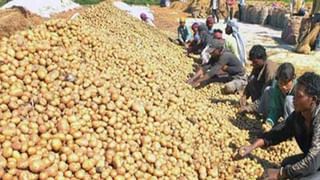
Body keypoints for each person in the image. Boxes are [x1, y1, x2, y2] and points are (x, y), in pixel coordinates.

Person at [238, 72, 320, 180]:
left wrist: (280, 173)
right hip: (316, 159)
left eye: (299, 96)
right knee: (287, 163)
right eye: (294, 94)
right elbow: (279, 132)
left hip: (316, 160)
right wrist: (252, 146)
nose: (293, 99)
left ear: (313, 100)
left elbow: (313, 160)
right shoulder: (298, 116)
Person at [239, 45, 279, 115]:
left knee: (267, 90)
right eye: (252, 62)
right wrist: (245, 96)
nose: (253, 64)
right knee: (252, 79)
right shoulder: (258, 65)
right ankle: (257, 108)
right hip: (262, 95)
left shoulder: (270, 70)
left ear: (263, 59)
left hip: (274, 100)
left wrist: (249, 108)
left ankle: (263, 111)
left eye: (255, 62)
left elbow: (268, 94)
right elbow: (250, 82)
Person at [264, 63, 296, 129]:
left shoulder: (298, 89)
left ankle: (291, 128)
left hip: (298, 117)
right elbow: (276, 108)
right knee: (268, 90)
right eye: (281, 83)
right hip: (283, 110)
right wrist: (270, 121)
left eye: (286, 83)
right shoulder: (277, 88)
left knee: (289, 99)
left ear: (292, 79)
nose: (283, 87)